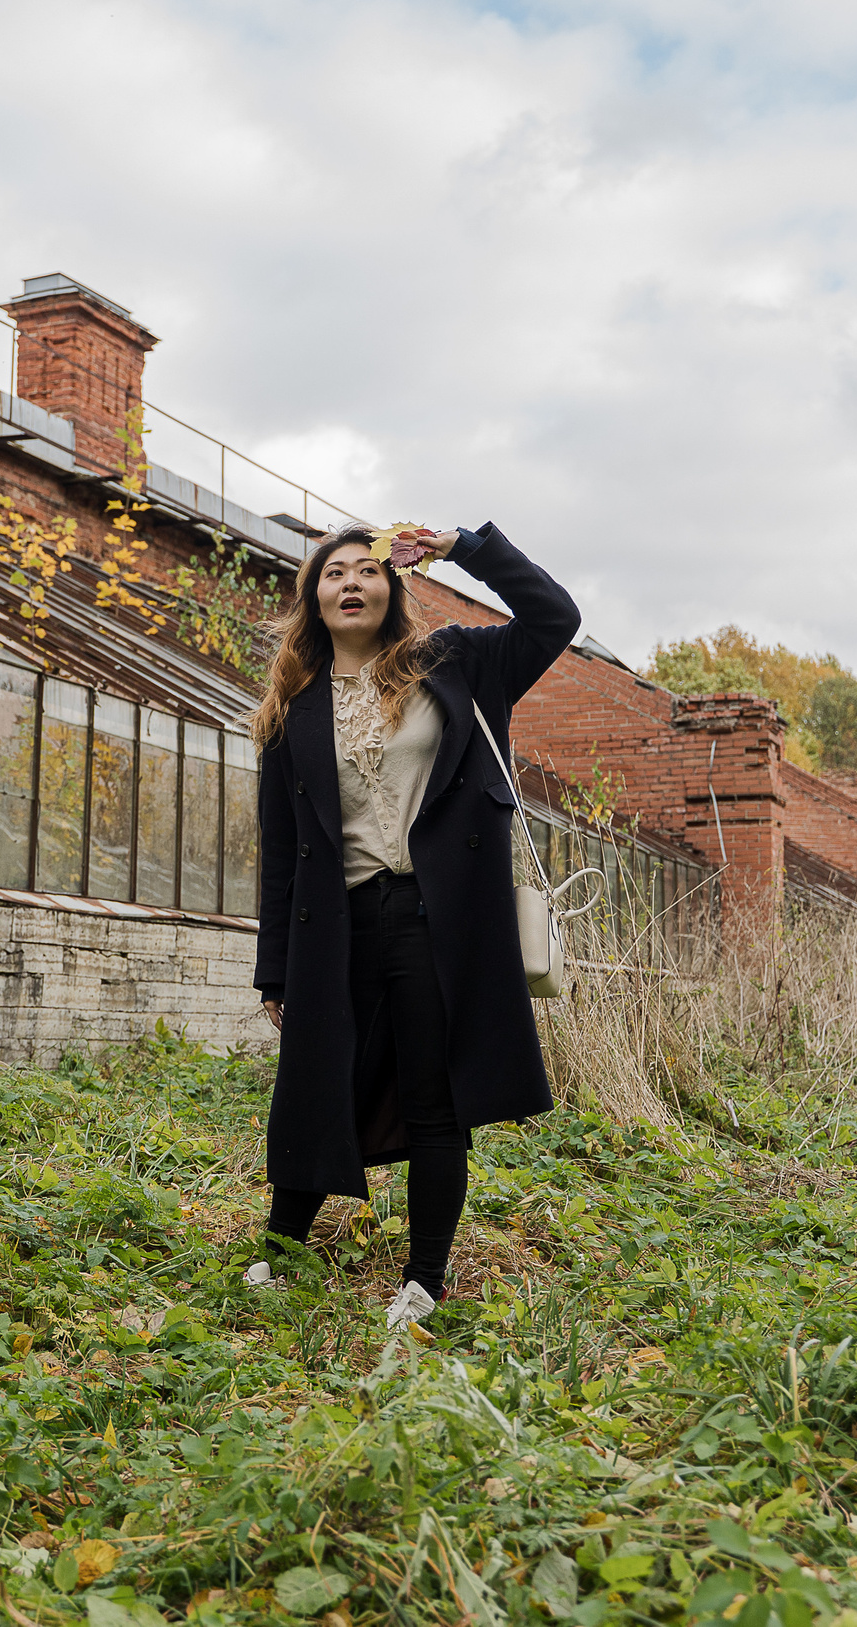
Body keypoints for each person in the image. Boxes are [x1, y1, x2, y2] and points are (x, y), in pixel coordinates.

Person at [246, 521, 581, 1330]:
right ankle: (281, 1248)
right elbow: (282, 850)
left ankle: (425, 1276)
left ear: (393, 589)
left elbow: (554, 618)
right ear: (314, 597)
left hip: (439, 919)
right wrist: (276, 969)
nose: (352, 581)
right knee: (317, 1080)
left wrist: (464, 546)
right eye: (335, 573)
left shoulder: (456, 663)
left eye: (369, 569)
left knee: (436, 1098)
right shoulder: (292, 710)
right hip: (339, 923)